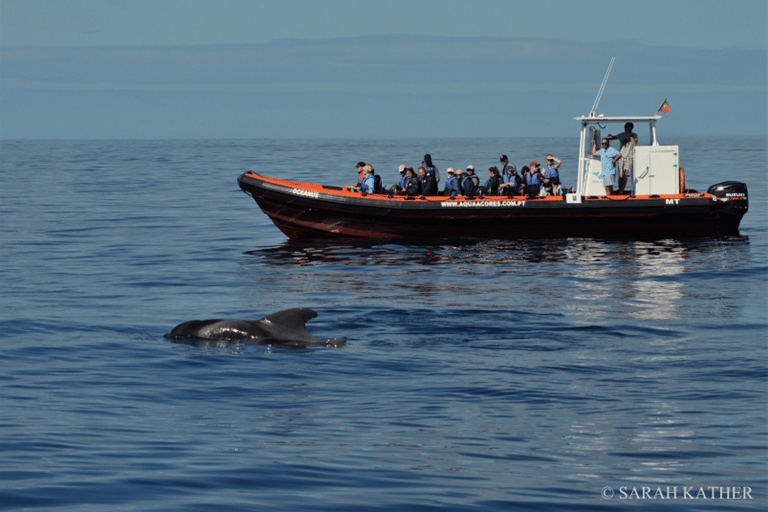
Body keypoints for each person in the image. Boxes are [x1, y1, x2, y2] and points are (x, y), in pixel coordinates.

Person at [607, 122, 637, 195]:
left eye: (627, 127)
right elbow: (613, 138)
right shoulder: (622, 134)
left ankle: (621, 191)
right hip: (621, 157)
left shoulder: (634, 135)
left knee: (625, 175)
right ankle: (620, 190)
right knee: (621, 175)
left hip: (629, 157)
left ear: (631, 128)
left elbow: (634, 144)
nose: (626, 128)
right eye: (625, 127)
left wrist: (630, 136)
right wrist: (610, 137)